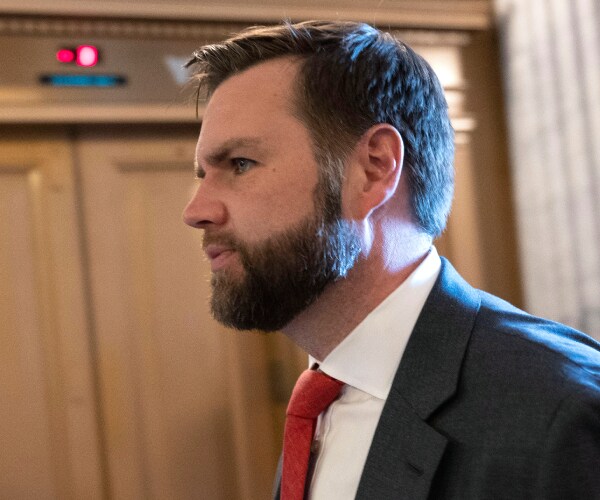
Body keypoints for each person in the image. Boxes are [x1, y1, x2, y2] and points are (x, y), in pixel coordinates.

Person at [182, 20, 600, 499]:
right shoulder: (323, 400)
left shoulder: (559, 415)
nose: (196, 211)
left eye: (240, 164)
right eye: (203, 174)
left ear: (374, 169)